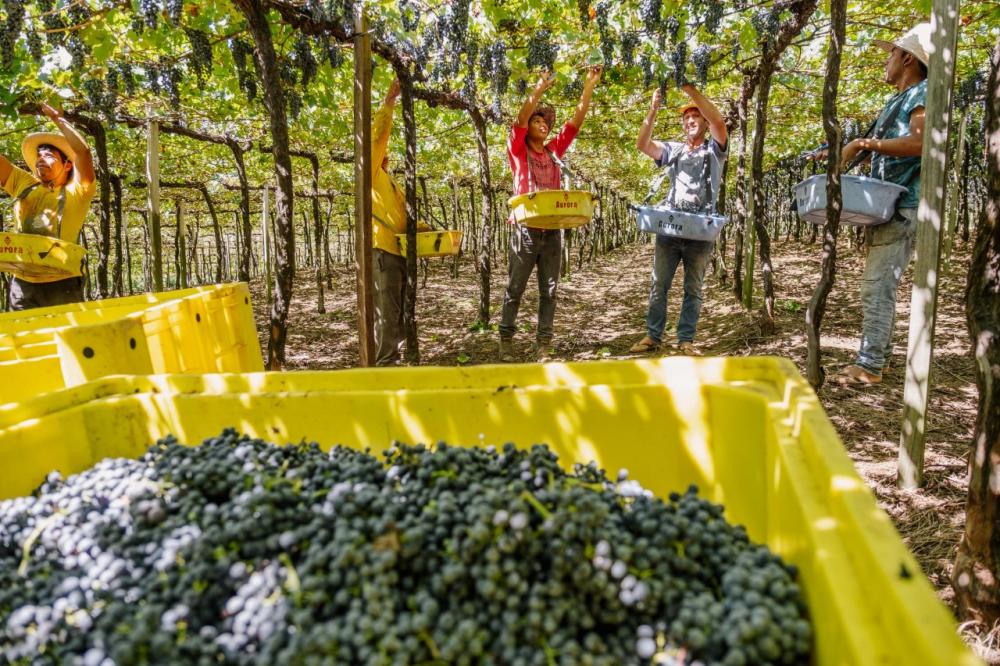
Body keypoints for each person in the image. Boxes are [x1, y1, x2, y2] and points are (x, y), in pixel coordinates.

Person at [834, 23, 930, 385]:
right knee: (876, 285)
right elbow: (881, 147)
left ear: (907, 58)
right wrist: (839, 152)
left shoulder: (921, 92)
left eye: (891, 54)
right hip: (887, 206)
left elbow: (919, 143)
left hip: (902, 205)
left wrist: (863, 144)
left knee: (877, 287)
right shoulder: (898, 100)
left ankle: (870, 365)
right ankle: (879, 358)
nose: (885, 61)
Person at [500, 65, 602, 363]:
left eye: (545, 122)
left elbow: (575, 123)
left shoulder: (554, 151)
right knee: (515, 287)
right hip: (526, 228)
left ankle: (543, 343)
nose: (543, 125)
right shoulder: (518, 150)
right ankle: (506, 339)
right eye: (537, 120)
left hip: (552, 229)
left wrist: (588, 86)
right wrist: (539, 89)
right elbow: (519, 120)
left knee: (550, 289)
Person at [629, 83, 728, 356]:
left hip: (700, 231)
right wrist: (653, 110)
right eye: (686, 118)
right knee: (659, 285)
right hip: (670, 228)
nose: (691, 121)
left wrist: (690, 90)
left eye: (696, 116)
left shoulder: (715, 150)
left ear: (705, 123)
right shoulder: (674, 150)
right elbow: (643, 144)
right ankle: (653, 336)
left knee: (693, 288)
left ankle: (686, 339)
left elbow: (719, 122)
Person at [0, 102, 96, 310]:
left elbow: (84, 153)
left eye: (49, 155)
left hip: (62, 280)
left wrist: (58, 119)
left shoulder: (77, 192)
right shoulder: (25, 184)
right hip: (22, 281)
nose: (41, 159)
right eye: (39, 155)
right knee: (24, 330)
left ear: (67, 165)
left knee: (64, 330)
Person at [371, 78, 430, 367]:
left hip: (400, 249)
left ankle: (396, 357)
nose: (386, 153)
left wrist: (428, 231)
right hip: (384, 250)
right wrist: (389, 103)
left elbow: (402, 218)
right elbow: (377, 137)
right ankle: (385, 362)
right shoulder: (371, 174)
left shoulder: (389, 181)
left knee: (399, 307)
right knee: (387, 308)